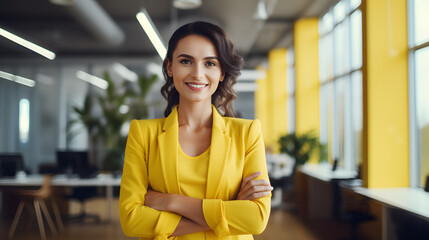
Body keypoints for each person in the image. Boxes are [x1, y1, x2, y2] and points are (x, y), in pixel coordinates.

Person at [119, 21, 272, 240]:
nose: (197, 73)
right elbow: (131, 221)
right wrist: (229, 210)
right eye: (186, 61)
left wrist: (172, 202)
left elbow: (256, 219)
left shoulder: (247, 133)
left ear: (221, 72)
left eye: (210, 63)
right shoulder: (143, 134)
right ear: (170, 67)